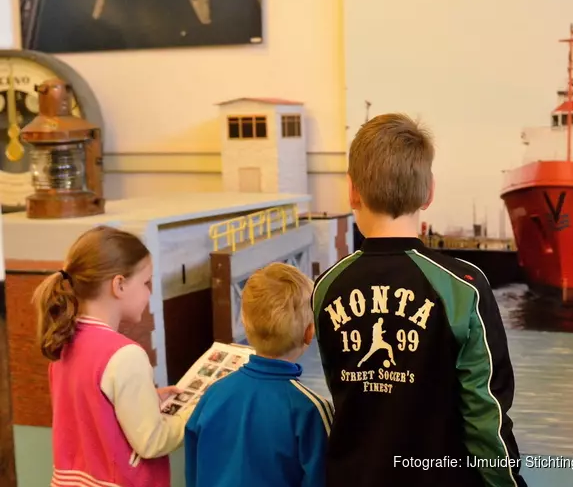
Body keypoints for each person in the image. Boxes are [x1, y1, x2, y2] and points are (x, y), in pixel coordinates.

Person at [312, 113, 527, 487]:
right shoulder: (464, 287)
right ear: (429, 192)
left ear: (352, 192)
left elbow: (345, 393)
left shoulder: (327, 287)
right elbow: (485, 414)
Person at [32, 225, 191, 487]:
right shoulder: (125, 355)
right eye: (146, 282)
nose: (149, 292)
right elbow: (152, 442)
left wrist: (147, 402)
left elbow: (93, 417)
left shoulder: (62, 342)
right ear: (119, 285)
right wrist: (191, 415)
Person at [184, 262, 332, 487]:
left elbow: (193, 472)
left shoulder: (212, 394)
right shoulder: (310, 409)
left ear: (245, 323)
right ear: (309, 333)